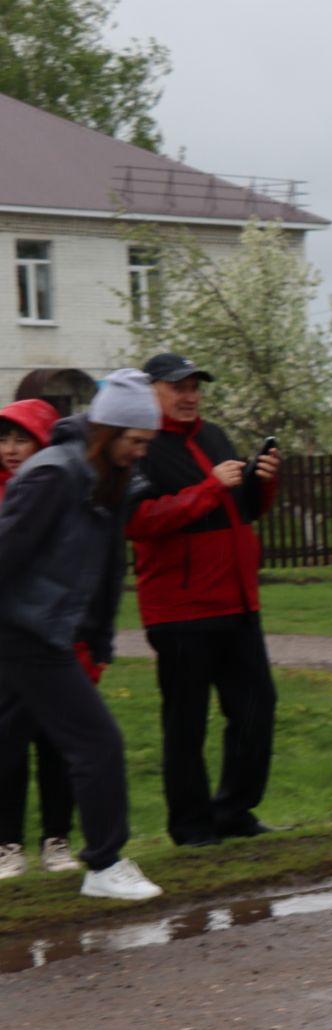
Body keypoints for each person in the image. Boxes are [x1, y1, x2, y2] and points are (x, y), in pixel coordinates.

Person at [0, 371, 164, 900]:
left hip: (47, 632)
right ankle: (104, 863)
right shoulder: (53, 475)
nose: (141, 452)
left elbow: (105, 568)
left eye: (147, 443)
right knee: (97, 743)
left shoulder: (103, 481)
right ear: (108, 430)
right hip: (24, 631)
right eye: (136, 441)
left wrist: (97, 641)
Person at [124, 352, 282, 846]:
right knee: (186, 723)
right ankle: (191, 829)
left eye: (195, 386)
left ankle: (233, 811)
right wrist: (210, 489)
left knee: (257, 707)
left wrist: (264, 480)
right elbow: (140, 521)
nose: (190, 395)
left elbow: (243, 510)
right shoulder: (139, 446)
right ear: (151, 391)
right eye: (178, 387)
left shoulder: (213, 437)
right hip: (180, 609)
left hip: (236, 601)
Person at [0, 398, 80, 879]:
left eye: (21, 438)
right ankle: (7, 844)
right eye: (3, 439)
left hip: (55, 637)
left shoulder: (63, 493)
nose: (10, 450)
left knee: (57, 742)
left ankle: (57, 839)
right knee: (6, 742)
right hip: (6, 641)